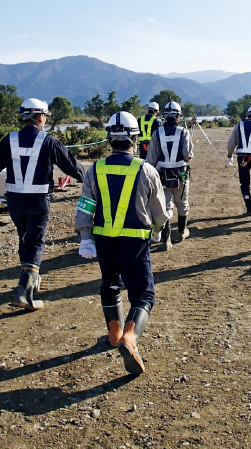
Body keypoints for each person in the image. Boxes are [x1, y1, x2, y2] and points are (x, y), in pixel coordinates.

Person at [0, 98, 85, 310]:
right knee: (36, 241)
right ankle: (25, 293)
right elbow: (72, 166)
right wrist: (92, 183)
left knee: (24, 237)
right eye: (44, 116)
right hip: (38, 201)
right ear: (39, 117)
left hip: (16, 202)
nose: (45, 120)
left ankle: (31, 277)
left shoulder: (9, 140)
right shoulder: (48, 141)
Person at [76, 111, 170, 375]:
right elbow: (159, 213)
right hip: (135, 241)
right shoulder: (146, 169)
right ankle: (130, 337)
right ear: (135, 138)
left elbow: (85, 206)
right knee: (143, 294)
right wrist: (158, 231)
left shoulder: (95, 169)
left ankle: (115, 335)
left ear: (109, 138)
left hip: (104, 241)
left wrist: (85, 237)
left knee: (110, 285)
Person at [145, 101, 194, 250]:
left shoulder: (156, 133)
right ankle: (181, 232)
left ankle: (166, 240)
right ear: (178, 116)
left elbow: (151, 159)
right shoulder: (183, 132)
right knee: (182, 203)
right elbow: (188, 155)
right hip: (181, 173)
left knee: (165, 206)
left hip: (162, 175)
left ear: (164, 115)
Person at [227, 105, 251, 215]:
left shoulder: (238, 126)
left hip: (242, 158)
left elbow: (231, 143)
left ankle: (249, 208)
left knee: (244, 183)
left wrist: (229, 155)